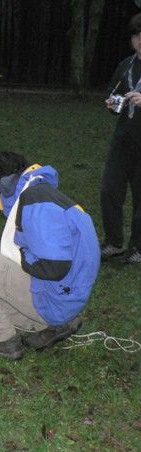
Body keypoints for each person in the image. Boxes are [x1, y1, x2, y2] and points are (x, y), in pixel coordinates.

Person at [0, 152, 100, 360]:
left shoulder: (35, 201)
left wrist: (19, 254)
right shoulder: (42, 196)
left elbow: (54, 267)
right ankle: (53, 326)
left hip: (53, 299)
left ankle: (2, 340)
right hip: (65, 298)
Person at [100, 12, 141, 264]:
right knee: (109, 190)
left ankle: (138, 248)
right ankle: (115, 243)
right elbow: (114, 93)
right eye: (137, 35)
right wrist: (112, 103)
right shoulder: (126, 65)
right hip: (123, 140)